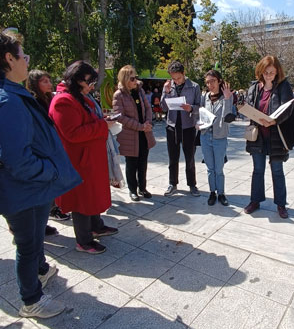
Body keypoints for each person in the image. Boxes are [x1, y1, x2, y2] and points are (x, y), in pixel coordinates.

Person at [0, 28, 81, 318]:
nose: (27, 62)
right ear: (9, 58)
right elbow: (18, 161)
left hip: (29, 188)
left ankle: (40, 272)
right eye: (23, 56)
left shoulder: (8, 94)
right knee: (28, 245)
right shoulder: (7, 100)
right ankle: (31, 300)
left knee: (32, 243)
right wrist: (52, 170)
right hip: (24, 189)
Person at [49, 61, 118, 254]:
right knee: (82, 201)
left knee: (93, 195)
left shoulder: (80, 97)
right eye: (89, 82)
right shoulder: (63, 101)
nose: (91, 86)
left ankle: (96, 226)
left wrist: (103, 122)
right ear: (77, 80)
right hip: (79, 161)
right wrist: (102, 126)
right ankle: (84, 240)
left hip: (90, 158)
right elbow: (72, 133)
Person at [244, 55, 294, 219]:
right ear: (260, 71)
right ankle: (255, 201)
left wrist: (274, 121)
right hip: (258, 136)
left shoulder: (283, 86)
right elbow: (248, 105)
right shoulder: (254, 88)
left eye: (271, 73)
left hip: (276, 137)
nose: (268, 76)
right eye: (265, 72)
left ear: (277, 72)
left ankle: (281, 204)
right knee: (258, 170)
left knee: (277, 171)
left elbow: (288, 109)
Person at [27, 69, 71, 229]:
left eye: (48, 80)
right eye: (44, 81)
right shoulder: (33, 101)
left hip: (52, 144)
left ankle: (49, 213)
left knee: (52, 181)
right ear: (35, 83)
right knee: (43, 185)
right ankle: (45, 218)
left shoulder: (50, 97)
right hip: (40, 148)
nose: (48, 83)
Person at [112, 65, 154, 201]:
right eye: (132, 78)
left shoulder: (139, 91)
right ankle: (133, 190)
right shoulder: (119, 95)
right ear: (125, 79)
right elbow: (120, 117)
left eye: (136, 77)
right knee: (132, 165)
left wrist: (147, 123)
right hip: (131, 135)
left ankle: (143, 188)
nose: (135, 80)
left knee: (143, 163)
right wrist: (140, 126)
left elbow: (148, 108)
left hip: (144, 134)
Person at [161, 60, 201, 196]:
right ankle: (173, 183)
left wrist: (191, 108)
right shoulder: (168, 86)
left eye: (178, 78)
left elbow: (199, 107)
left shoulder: (194, 87)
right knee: (173, 157)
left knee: (189, 157)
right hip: (172, 125)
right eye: (173, 78)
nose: (176, 81)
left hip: (188, 126)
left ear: (184, 74)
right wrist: (166, 93)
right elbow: (163, 107)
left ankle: (192, 185)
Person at [200, 70, 233, 206]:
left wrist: (226, 99)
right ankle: (212, 192)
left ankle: (221, 193)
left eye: (213, 81)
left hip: (220, 137)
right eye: (207, 82)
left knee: (219, 169)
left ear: (219, 81)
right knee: (210, 168)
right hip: (205, 136)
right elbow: (201, 114)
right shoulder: (205, 97)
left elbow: (227, 117)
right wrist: (199, 124)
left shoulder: (227, 96)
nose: (210, 84)